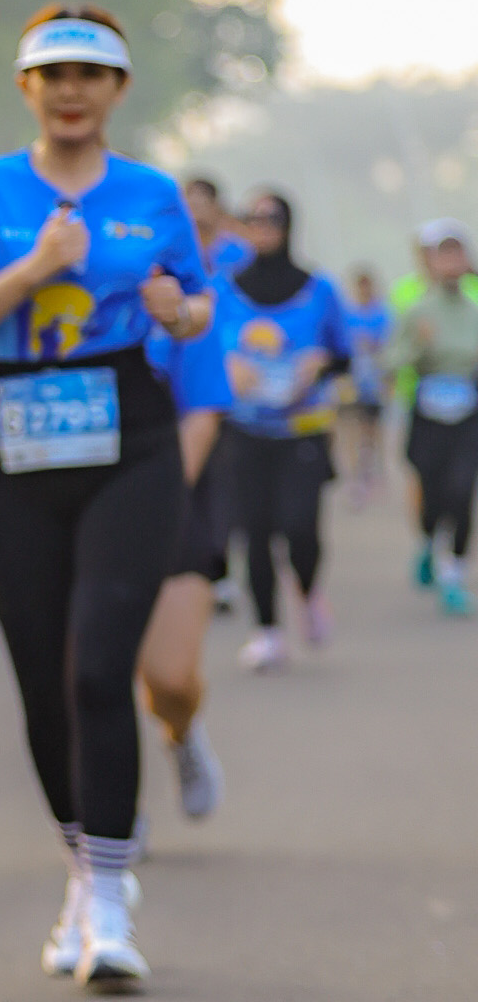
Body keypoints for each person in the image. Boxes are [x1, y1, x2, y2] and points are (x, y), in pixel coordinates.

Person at [0, 4, 212, 992]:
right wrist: (34, 269)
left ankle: (113, 899)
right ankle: (82, 869)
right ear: (27, 88)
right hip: (20, 434)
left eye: (91, 74)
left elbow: (194, 300)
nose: (72, 91)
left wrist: (179, 310)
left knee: (98, 669)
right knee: (42, 681)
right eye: (54, 75)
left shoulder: (152, 193)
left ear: (118, 89)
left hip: (130, 435)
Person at [217, 194, 353, 670]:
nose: (262, 227)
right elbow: (200, 350)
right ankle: (268, 632)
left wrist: (319, 364)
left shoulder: (320, 289)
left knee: (300, 527)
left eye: (271, 219)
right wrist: (228, 368)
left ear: (289, 225)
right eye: (252, 219)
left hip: (303, 429)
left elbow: (344, 355)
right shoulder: (224, 289)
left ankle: (308, 590)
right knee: (254, 531)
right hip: (245, 430)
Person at [136, 314, 234, 821]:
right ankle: (112, 813)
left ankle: (181, 733)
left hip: (168, 492)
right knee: (91, 675)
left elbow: (203, 411)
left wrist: (159, 499)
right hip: (67, 492)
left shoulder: (181, 295)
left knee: (171, 681)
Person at [391, 220, 478, 612]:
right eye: (443, 254)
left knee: (462, 491)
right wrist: (417, 348)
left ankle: (454, 573)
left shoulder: (473, 309)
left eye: (457, 252)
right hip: (427, 413)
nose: (451, 262)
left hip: (467, 413)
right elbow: (390, 360)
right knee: (433, 493)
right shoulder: (416, 309)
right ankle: (428, 541)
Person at [338, 266, 390, 501]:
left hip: (374, 383)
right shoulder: (347, 314)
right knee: (351, 428)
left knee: (374, 430)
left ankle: (376, 472)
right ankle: (354, 477)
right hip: (353, 382)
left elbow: (388, 349)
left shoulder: (382, 315)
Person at [184, 174, 251, 280]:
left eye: (200, 206)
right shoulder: (176, 250)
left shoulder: (237, 250)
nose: (195, 214)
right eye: (191, 206)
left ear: (215, 206)